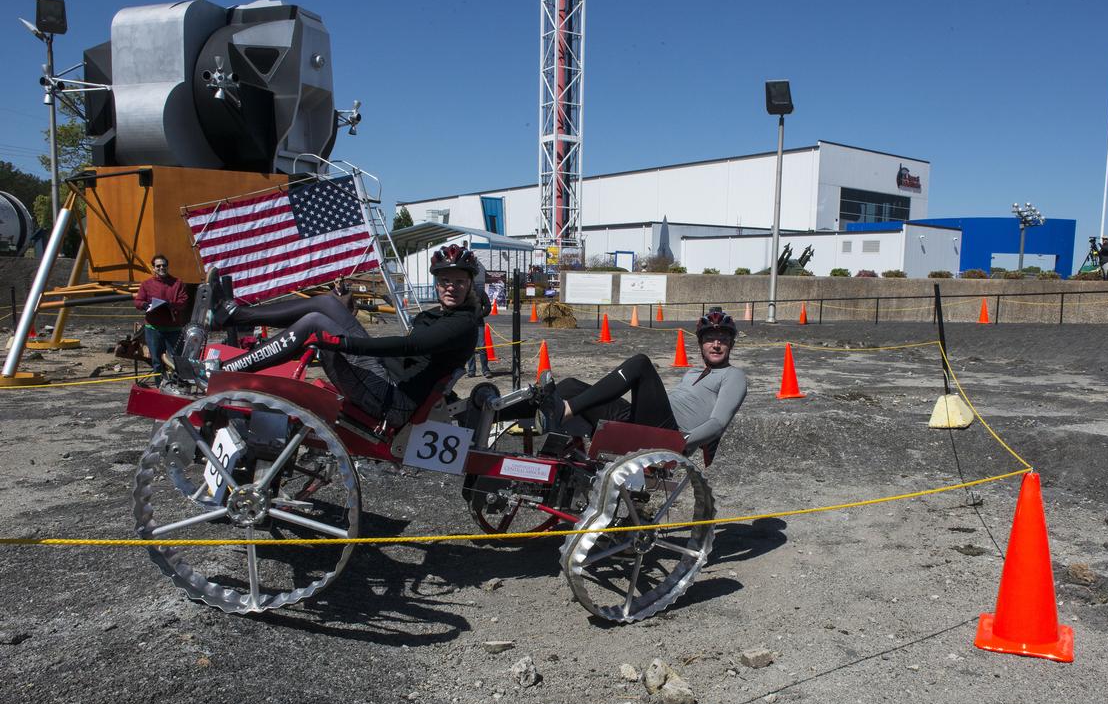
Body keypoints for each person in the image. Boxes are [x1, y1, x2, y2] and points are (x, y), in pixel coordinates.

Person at [206, 243, 489, 428]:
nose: (451, 287)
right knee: (328, 303)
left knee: (316, 323)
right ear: (437, 283)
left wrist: (345, 343)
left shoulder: (462, 322)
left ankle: (226, 371)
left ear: (470, 285)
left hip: (393, 402)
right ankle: (233, 315)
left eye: (459, 281)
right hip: (387, 380)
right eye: (445, 281)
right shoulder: (440, 314)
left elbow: (410, 345)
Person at [534, 308, 748, 458]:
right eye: (710, 339)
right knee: (571, 386)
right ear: (701, 344)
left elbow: (718, 424)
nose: (717, 345)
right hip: (644, 423)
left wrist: (683, 442)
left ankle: (563, 412)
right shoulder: (692, 372)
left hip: (670, 434)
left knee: (641, 364)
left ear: (731, 344)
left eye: (723, 340)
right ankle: (520, 415)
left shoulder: (733, 376)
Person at [133, 254, 188, 375]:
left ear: (167, 267)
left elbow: (183, 301)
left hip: (174, 328)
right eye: (158, 266)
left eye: (164, 265)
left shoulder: (177, 283)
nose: (161, 268)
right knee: (156, 361)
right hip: (154, 328)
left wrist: (171, 304)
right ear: (153, 268)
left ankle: (177, 385)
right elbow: (138, 301)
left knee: (176, 359)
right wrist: (145, 305)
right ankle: (159, 386)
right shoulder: (146, 284)